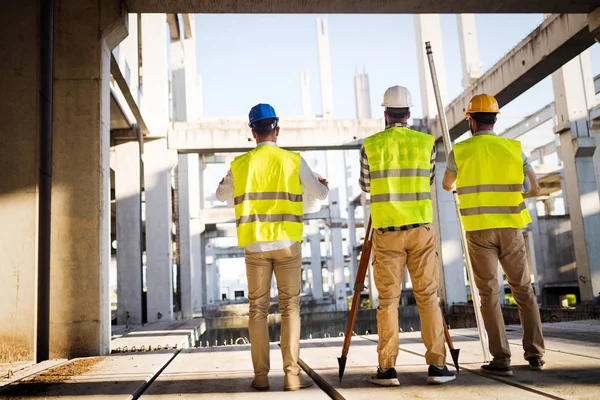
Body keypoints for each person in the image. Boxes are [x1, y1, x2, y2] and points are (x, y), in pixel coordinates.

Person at [216, 103, 329, 391]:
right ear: (277, 130)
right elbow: (319, 193)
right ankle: (292, 377)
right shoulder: (293, 160)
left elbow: (221, 195)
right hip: (287, 244)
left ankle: (260, 377)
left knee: (257, 310)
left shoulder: (240, 165)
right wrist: (320, 184)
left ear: (252, 132)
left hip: (255, 246)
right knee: (291, 308)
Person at [442, 94, 546, 376]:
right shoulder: (514, 149)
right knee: (524, 290)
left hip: (478, 230)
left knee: (488, 294)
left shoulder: (459, 151)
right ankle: (535, 354)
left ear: (471, 121)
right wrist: (513, 193)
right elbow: (534, 189)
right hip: (511, 227)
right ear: (495, 118)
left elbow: (446, 185)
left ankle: (501, 359)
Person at [359, 85, 456, 386]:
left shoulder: (370, 145)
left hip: (387, 231)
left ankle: (387, 369)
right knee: (428, 297)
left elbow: (366, 186)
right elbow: (427, 180)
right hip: (420, 229)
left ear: (385, 113)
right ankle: (437, 367)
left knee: (388, 300)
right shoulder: (426, 143)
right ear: (410, 113)